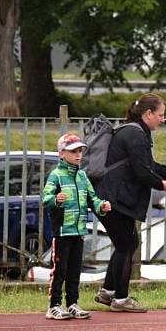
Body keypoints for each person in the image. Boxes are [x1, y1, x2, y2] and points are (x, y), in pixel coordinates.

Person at [93, 94, 166, 312]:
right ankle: (121, 299)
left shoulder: (133, 131)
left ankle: (108, 292)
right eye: (161, 115)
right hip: (114, 199)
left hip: (111, 196)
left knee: (125, 244)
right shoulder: (135, 135)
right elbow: (143, 173)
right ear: (148, 114)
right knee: (126, 244)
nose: (163, 119)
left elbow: (148, 165)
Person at [42, 133, 112, 320]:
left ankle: (72, 303)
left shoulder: (82, 176)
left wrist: (101, 206)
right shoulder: (56, 176)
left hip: (79, 231)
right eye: (73, 151)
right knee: (60, 270)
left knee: (74, 270)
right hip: (63, 231)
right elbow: (45, 198)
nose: (78, 155)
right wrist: (56, 199)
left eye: (80, 151)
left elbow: (92, 198)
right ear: (62, 153)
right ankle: (54, 305)